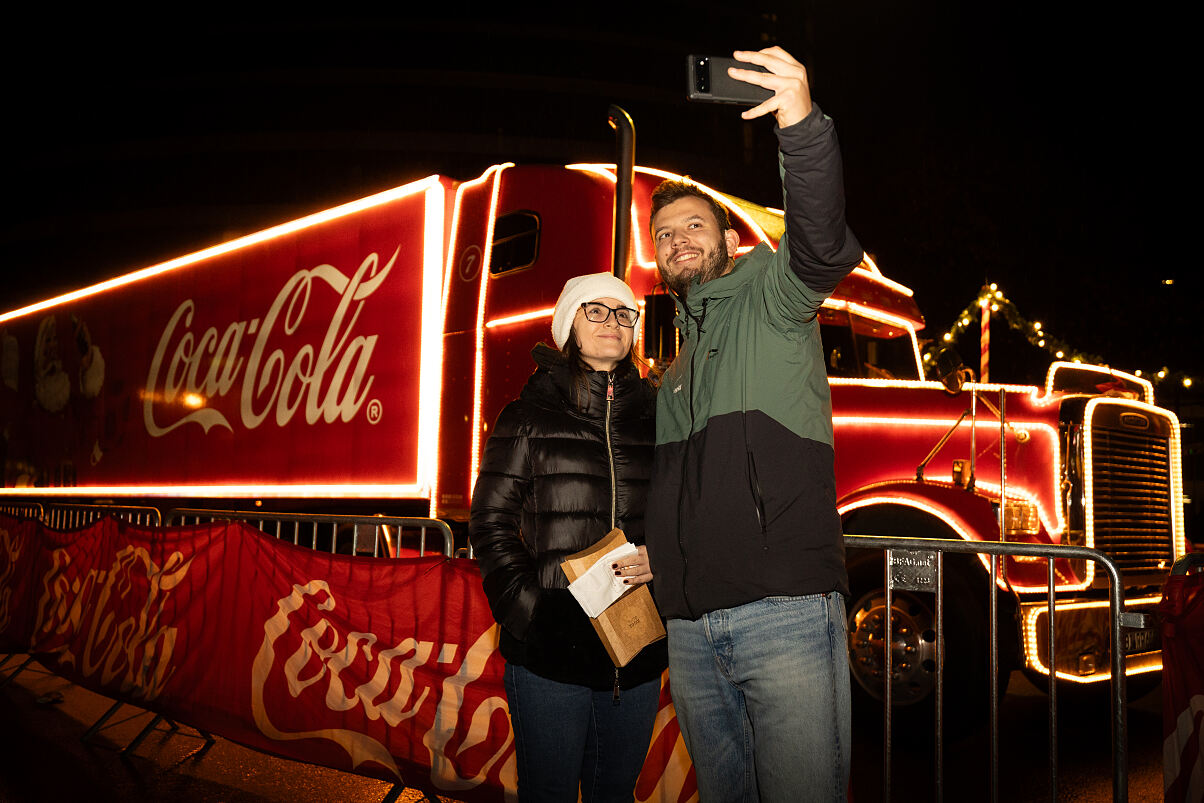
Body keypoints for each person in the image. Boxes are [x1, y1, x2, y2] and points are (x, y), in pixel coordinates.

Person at [643, 47, 864, 801]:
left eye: (693, 225)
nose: (678, 240)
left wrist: (800, 126)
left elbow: (821, 242)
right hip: (693, 635)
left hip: (786, 616)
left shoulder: (772, 295)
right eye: (665, 234)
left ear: (728, 242)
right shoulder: (672, 375)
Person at [469, 272, 668, 803]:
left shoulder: (659, 419)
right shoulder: (526, 416)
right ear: (568, 325)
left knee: (615, 794)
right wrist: (532, 613)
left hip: (637, 648)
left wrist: (665, 562)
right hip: (550, 652)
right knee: (548, 792)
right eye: (595, 311)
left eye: (623, 313)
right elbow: (489, 523)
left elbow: (682, 516)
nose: (612, 322)